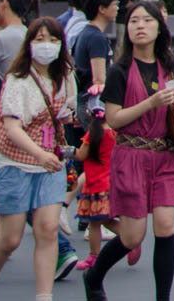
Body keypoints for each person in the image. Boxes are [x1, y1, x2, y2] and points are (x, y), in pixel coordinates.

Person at [82, 1, 174, 301]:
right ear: (126, 30)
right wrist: (151, 103)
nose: (140, 26)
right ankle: (94, 276)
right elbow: (113, 119)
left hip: (164, 153)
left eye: (146, 21)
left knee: (166, 226)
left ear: (159, 28)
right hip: (131, 155)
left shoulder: (169, 63)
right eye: (133, 22)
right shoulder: (119, 71)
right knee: (132, 236)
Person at [0, 16, 77, 301]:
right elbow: (11, 127)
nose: (47, 46)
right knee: (10, 239)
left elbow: (65, 117)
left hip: (49, 163)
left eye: (54, 40)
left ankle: (44, 297)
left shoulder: (66, 75)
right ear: (29, 44)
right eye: (40, 39)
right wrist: (40, 154)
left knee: (47, 229)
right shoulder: (17, 79)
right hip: (14, 163)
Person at [74, 93, 117, 272]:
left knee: (94, 223)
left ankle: (94, 256)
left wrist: (67, 152)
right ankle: (130, 240)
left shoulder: (92, 134)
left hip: (95, 185)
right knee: (106, 220)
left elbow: (81, 155)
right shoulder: (114, 132)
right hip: (111, 183)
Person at [72, 0, 120, 94]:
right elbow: (99, 81)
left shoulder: (87, 32)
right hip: (90, 103)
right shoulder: (96, 38)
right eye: (115, 4)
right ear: (102, 9)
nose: (117, 8)